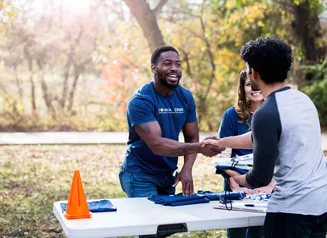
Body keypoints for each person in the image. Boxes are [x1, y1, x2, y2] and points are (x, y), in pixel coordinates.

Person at [203, 37, 327, 238]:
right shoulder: (302, 100)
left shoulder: (266, 112)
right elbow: (262, 136)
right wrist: (221, 142)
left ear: (254, 72)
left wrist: (237, 179)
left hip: (291, 210)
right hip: (320, 206)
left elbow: (260, 177)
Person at [119, 45, 224, 200]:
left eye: (178, 64)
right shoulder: (141, 101)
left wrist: (187, 169)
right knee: (149, 220)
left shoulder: (185, 97)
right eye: (167, 63)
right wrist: (200, 148)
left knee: (169, 222)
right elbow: (157, 145)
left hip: (168, 175)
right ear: (154, 68)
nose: (174, 68)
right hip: (140, 174)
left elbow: (192, 136)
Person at [217, 70, 273, 238]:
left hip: (265, 185)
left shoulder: (274, 114)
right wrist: (234, 182)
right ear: (243, 88)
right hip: (236, 181)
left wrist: (270, 186)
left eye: (257, 84)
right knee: (236, 232)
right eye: (249, 85)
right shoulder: (231, 115)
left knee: (260, 232)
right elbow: (224, 155)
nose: (254, 89)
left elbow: (280, 156)